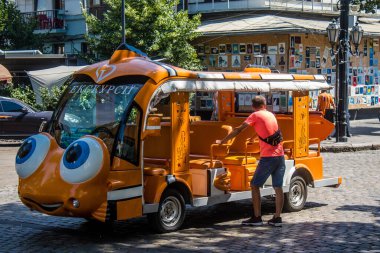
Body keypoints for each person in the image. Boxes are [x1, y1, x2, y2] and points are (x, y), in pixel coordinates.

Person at [217, 95, 285, 227]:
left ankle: (257, 217)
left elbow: (239, 130)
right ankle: (277, 218)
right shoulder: (271, 115)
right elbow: (268, 131)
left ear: (253, 106)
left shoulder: (255, 115)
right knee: (278, 187)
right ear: (264, 105)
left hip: (268, 158)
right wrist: (255, 138)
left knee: (254, 185)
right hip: (280, 156)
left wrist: (223, 141)